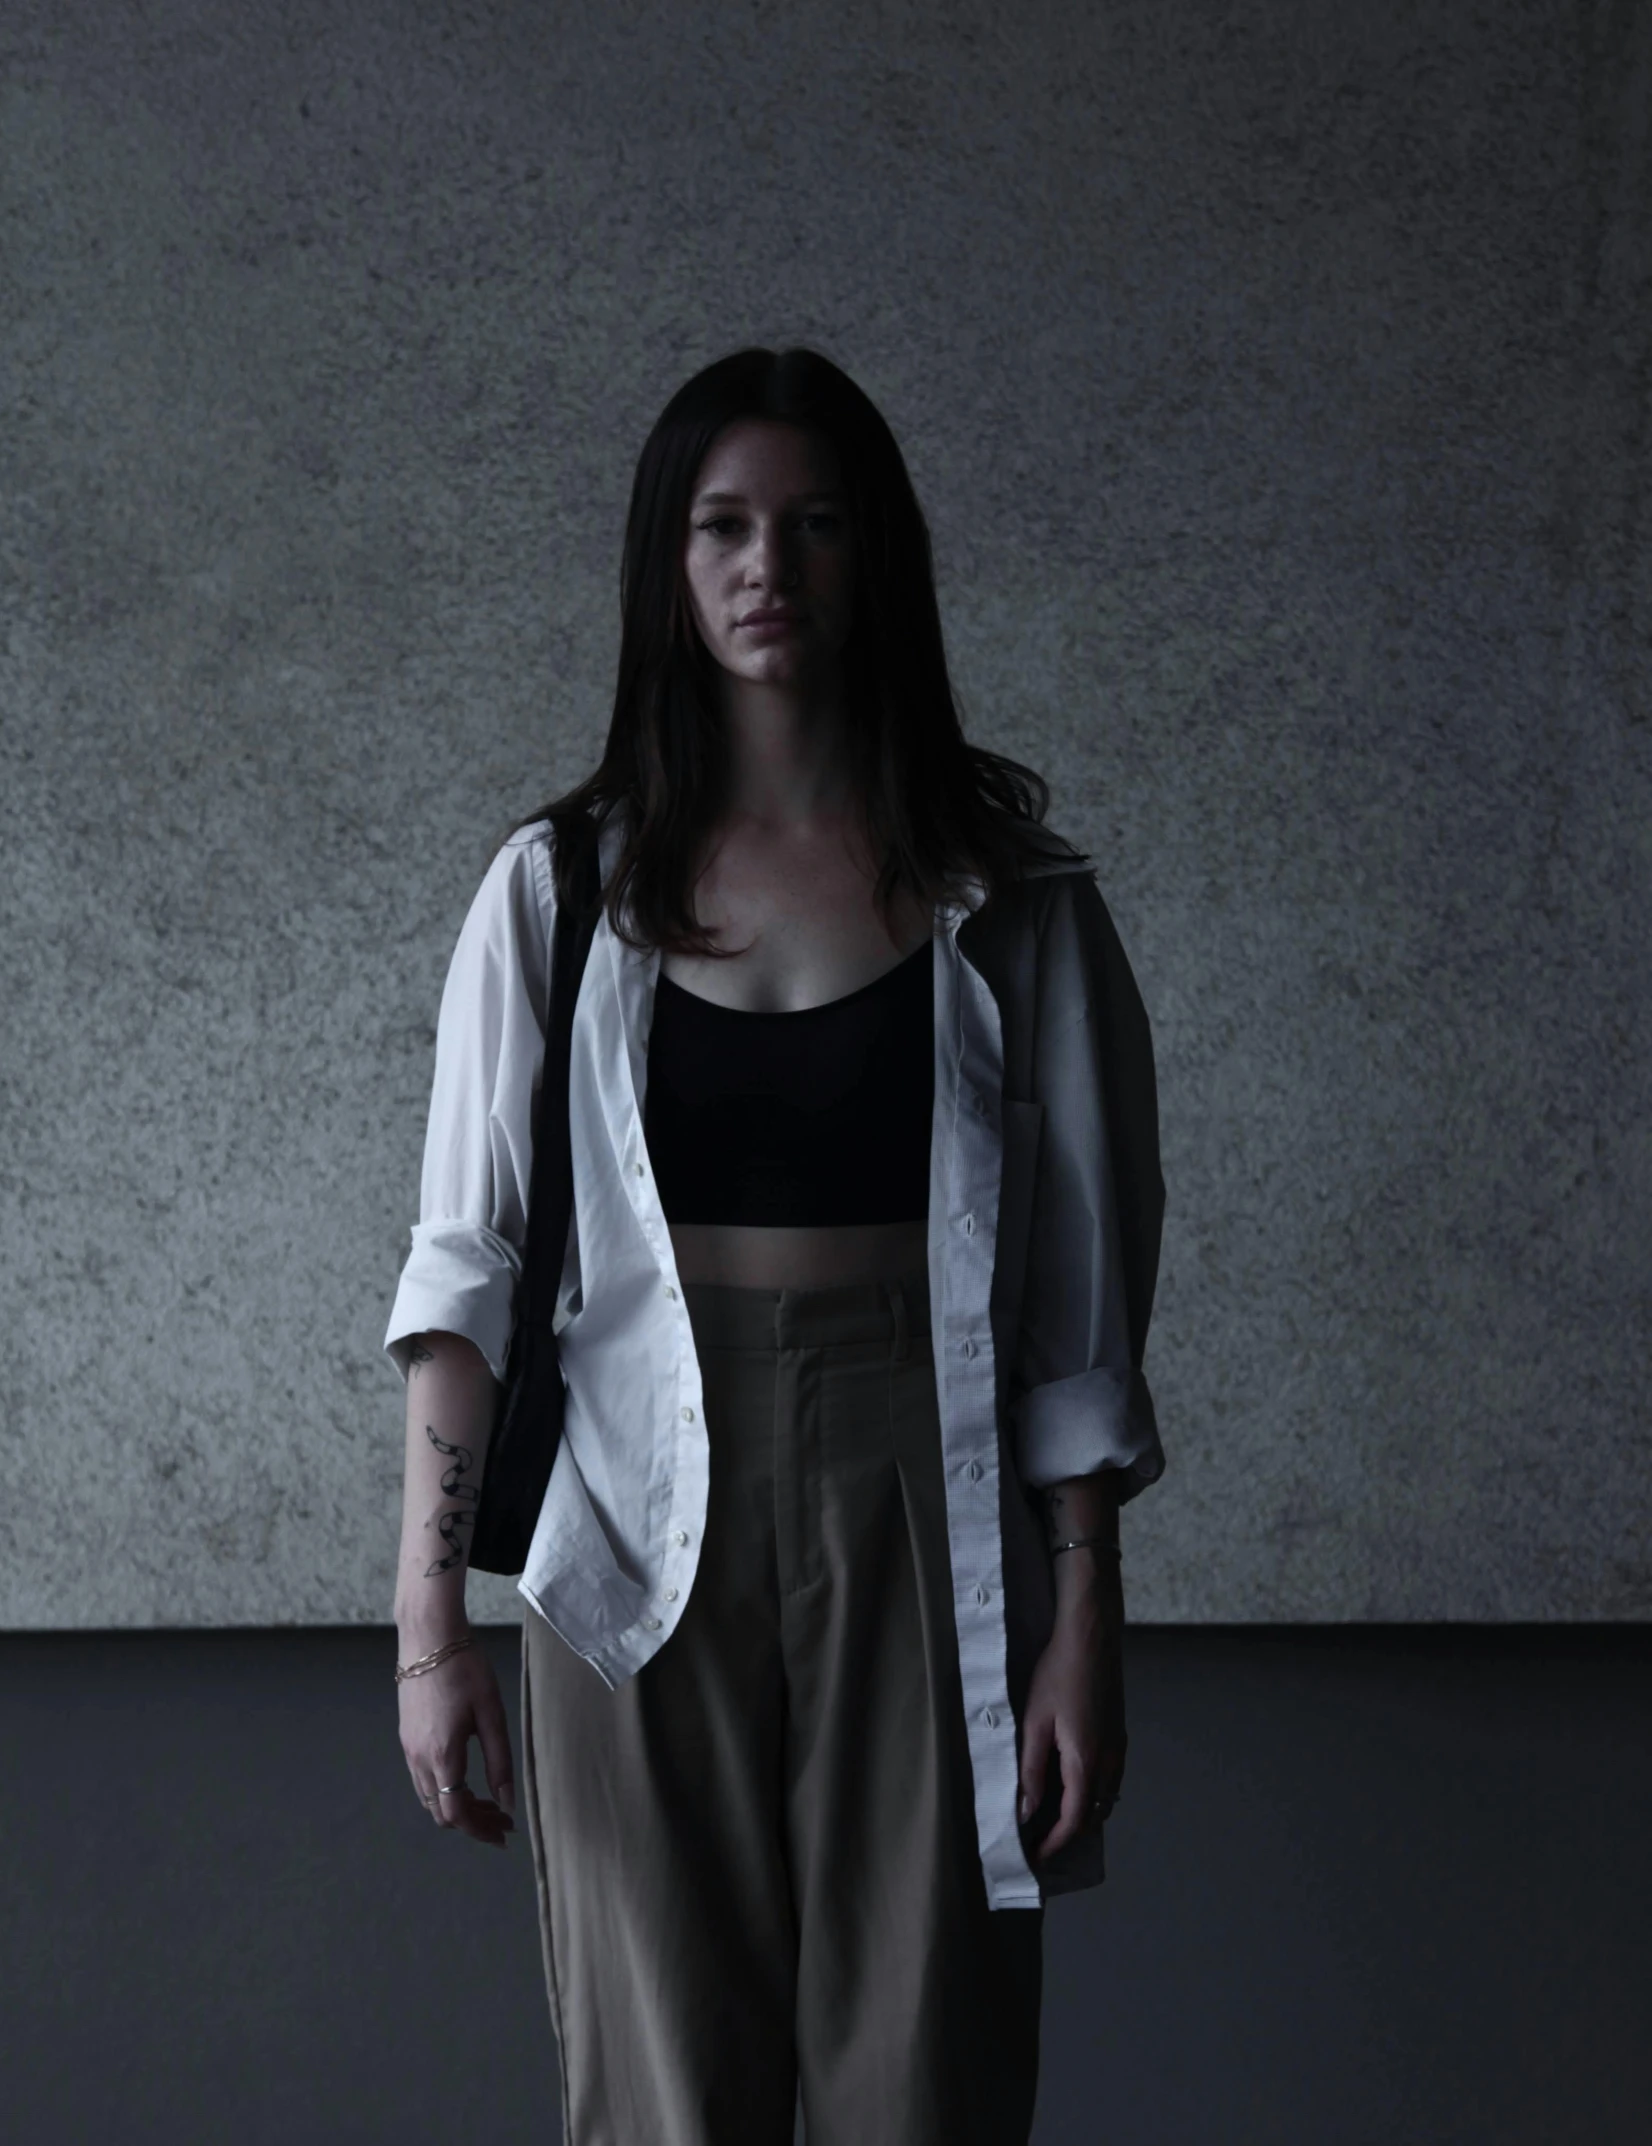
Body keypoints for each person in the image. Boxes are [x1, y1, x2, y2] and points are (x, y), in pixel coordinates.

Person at [384, 346, 1166, 2146]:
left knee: (928, 2066)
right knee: (661, 2079)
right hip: (631, 1496)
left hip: (925, 1477)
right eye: (725, 525)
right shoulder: (559, 889)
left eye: (816, 523)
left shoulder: (1014, 901)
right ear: (668, 561)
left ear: (876, 554)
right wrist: (432, 1619)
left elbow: (1077, 1313)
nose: (769, 567)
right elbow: (466, 1272)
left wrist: (1082, 1627)